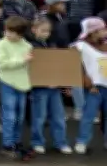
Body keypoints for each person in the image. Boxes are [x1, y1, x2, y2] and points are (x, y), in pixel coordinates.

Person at [28, 17, 72, 155]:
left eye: (48, 31)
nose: (46, 33)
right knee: (39, 117)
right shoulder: (30, 46)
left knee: (58, 116)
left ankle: (61, 142)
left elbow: (57, 65)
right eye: (43, 31)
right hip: (39, 88)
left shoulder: (52, 45)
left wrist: (63, 83)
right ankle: (37, 142)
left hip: (54, 87)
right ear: (34, 30)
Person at [0, 16, 33, 160]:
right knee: (9, 115)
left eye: (11, 32)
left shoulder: (27, 46)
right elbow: (2, 63)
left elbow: (30, 67)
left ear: (20, 33)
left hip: (22, 84)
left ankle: (17, 142)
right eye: (6, 31)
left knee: (20, 116)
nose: (7, 34)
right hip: (7, 82)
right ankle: (7, 144)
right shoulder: (2, 44)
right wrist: (22, 60)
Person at [73, 17, 107, 154]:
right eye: (102, 29)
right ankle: (82, 141)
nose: (105, 32)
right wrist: (85, 79)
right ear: (92, 32)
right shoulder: (81, 46)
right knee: (88, 115)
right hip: (94, 87)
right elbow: (72, 60)